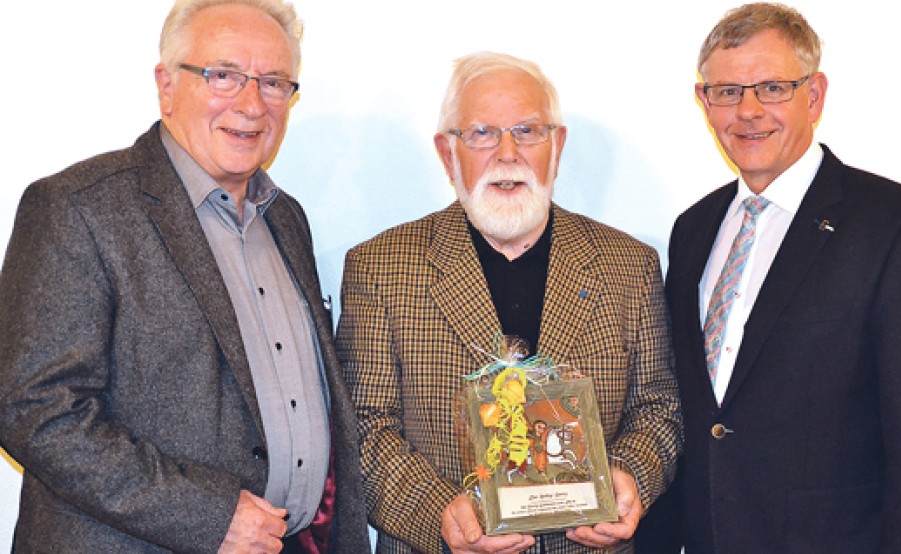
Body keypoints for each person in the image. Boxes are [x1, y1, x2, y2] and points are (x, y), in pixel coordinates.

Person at [0, 1, 371, 552]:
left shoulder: (286, 218)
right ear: (166, 85)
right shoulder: (78, 208)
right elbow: (34, 407)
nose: (251, 104)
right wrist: (207, 514)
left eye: (273, 82)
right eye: (223, 75)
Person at [639, 3, 901, 553]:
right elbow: (698, 419)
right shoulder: (693, 230)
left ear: (813, 95)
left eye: (771, 87)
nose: (748, 111)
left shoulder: (899, 227)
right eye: (727, 91)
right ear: (703, 102)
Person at [335, 51, 682, 554]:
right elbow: (363, 428)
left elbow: (659, 408)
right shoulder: (381, 269)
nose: (506, 152)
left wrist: (629, 479)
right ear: (445, 151)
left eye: (527, 130)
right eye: (480, 133)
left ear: (557, 146)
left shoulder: (628, 266)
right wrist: (441, 515)